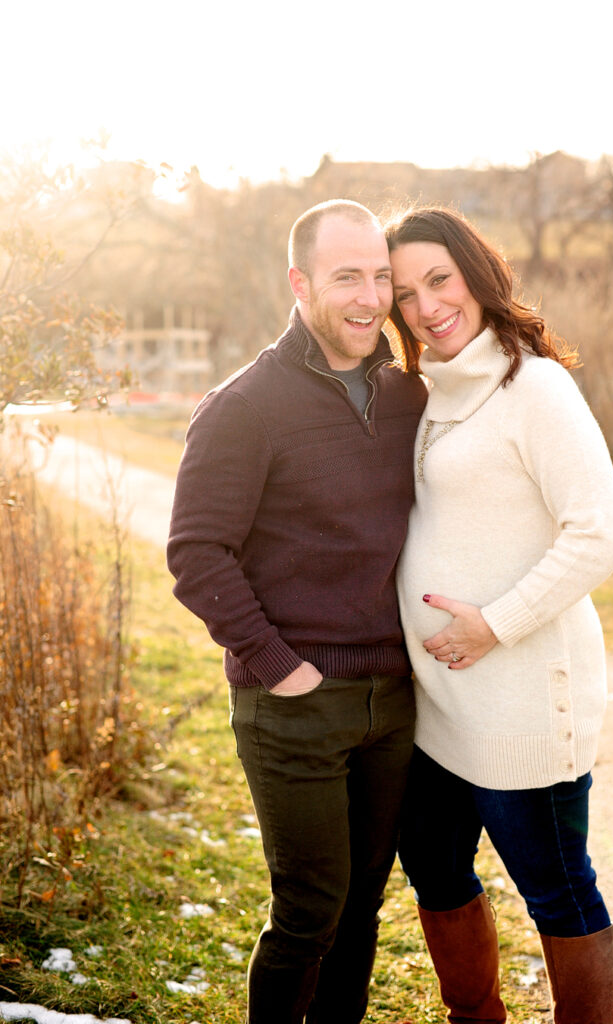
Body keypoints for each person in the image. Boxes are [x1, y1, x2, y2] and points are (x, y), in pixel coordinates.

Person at [167, 199, 426, 1024]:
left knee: (359, 918)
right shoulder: (245, 406)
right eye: (347, 275)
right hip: (294, 705)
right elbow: (196, 552)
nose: (370, 296)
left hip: (392, 703)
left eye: (381, 276)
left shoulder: (404, 398)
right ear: (300, 282)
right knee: (308, 917)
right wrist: (281, 668)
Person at [384, 205, 613, 1024]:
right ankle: (474, 1016)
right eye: (407, 292)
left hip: (522, 700)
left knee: (556, 892)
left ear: (477, 276)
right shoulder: (429, 392)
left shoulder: (536, 388)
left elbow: (599, 535)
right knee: (437, 875)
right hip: (436, 708)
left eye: (440, 280)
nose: (426, 305)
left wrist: (493, 622)